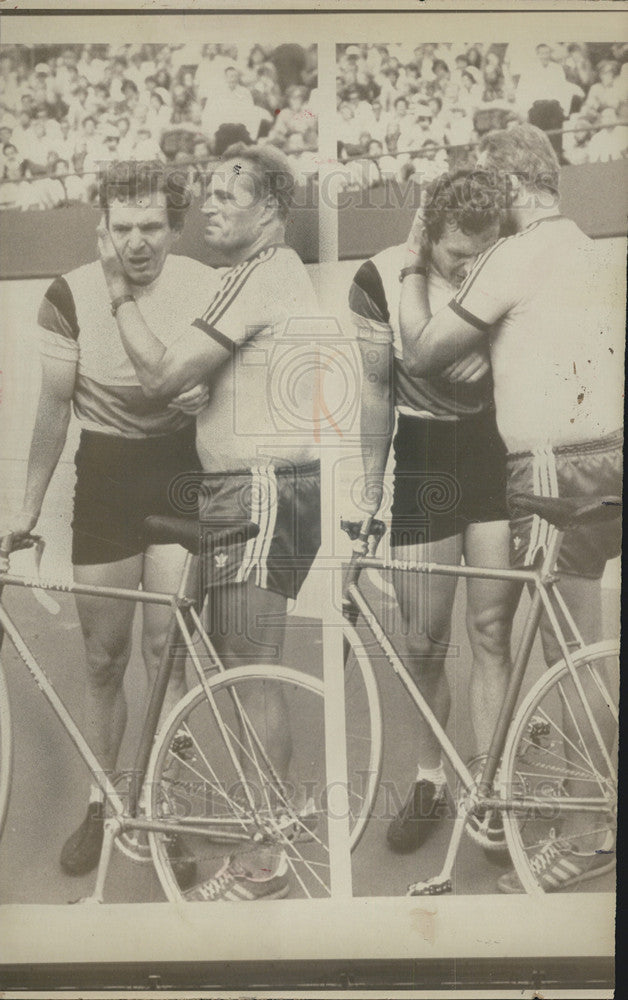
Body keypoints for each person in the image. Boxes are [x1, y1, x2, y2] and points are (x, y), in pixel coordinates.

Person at [398, 123, 622, 891]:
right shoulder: (591, 248)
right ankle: (592, 819)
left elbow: (424, 352)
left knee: (566, 656)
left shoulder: (509, 255)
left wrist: (406, 267)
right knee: (586, 645)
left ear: (509, 185)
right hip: (609, 454)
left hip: (552, 472)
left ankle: (588, 833)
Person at [97, 142, 322, 901]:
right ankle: (277, 818)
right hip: (265, 489)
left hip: (259, 491)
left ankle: (265, 860)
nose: (214, 203)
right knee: (242, 672)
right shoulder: (263, 277)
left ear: (272, 212)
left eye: (233, 192)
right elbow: (195, 386)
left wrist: (118, 290)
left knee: (249, 675)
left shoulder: (257, 275)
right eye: (210, 191)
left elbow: (159, 376)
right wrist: (203, 394)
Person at [9, 161, 216, 880]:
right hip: (103, 480)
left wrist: (208, 399)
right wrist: (26, 510)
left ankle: (164, 804)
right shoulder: (67, 293)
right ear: (103, 227)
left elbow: (218, 387)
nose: (136, 242)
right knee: (104, 659)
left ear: (176, 227)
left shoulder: (204, 286)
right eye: (122, 227)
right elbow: (52, 409)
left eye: (152, 226)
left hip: (180, 475)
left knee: (169, 656)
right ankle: (103, 800)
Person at [349, 169, 520, 856]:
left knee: (491, 628)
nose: (474, 269)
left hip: (490, 451)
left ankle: (493, 785)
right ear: (427, 234)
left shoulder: (510, 266)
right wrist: (366, 491)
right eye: (458, 257)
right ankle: (430, 777)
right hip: (422, 456)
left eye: (485, 254)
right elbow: (374, 392)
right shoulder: (377, 278)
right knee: (422, 639)